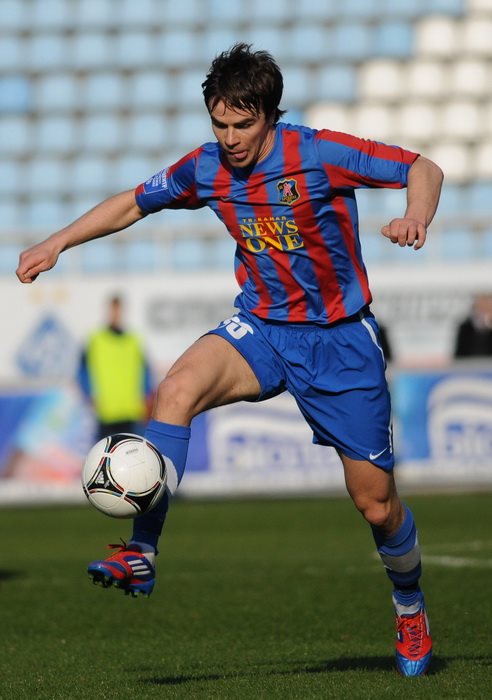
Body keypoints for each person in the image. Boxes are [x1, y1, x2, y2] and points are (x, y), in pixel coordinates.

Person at [16, 44, 443, 677]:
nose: (231, 138)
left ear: (270, 115)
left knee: (376, 504)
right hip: (261, 328)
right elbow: (133, 201)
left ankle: (409, 605)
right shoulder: (207, 166)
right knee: (175, 390)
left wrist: (415, 215)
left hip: (338, 342)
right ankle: (142, 553)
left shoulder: (318, 153)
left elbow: (422, 167)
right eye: (220, 124)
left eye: (243, 124)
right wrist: (58, 242)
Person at [77, 294, 154, 441]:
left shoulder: (134, 340)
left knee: (133, 452)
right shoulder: (95, 340)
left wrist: (145, 396)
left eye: (118, 310)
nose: (116, 314)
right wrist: (89, 394)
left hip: (131, 410)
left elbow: (145, 371)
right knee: (104, 452)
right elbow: (82, 371)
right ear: (108, 311)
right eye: (113, 310)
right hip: (105, 411)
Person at [454, 293, 492, 358]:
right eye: (483, 299)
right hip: (470, 362)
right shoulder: (465, 327)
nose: (486, 304)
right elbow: (460, 353)